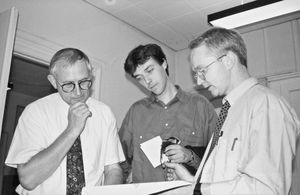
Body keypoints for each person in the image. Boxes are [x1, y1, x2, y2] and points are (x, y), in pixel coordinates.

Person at [164, 27, 300, 195]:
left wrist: (195, 190)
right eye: (196, 73)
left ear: (228, 60)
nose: (199, 81)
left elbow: (267, 189)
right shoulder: (229, 110)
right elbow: (223, 179)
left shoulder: (266, 105)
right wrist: (191, 182)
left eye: (202, 70)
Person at [5, 48, 125, 195]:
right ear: (54, 82)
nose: (79, 92)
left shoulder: (105, 113)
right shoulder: (35, 112)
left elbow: (113, 169)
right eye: (68, 85)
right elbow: (28, 180)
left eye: (84, 82)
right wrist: (72, 130)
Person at [119, 43, 217, 183]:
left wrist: (191, 156)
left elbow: (219, 156)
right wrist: (129, 176)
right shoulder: (136, 112)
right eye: (139, 77)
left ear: (164, 63)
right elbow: (117, 158)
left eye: (149, 70)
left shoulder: (200, 106)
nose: (147, 81)